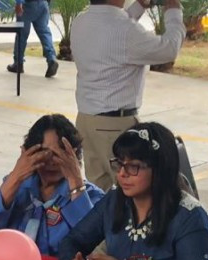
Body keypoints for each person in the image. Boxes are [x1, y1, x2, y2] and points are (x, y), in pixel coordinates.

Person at [57, 123, 208, 260]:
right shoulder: (115, 199)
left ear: (160, 169)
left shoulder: (189, 216)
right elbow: (73, 240)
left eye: (133, 166)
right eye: (119, 164)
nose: (122, 174)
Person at [70, 0, 184, 191]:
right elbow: (169, 49)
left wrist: (139, 6)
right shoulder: (124, 30)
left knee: (101, 195)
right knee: (134, 193)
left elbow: (114, 28)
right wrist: (173, 11)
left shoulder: (81, 21)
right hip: (114, 125)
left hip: (86, 121)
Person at [0, 115, 105, 256]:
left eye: (57, 154)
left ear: (73, 155)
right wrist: (16, 176)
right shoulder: (19, 186)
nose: (50, 162)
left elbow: (92, 241)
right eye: (43, 153)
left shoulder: (92, 196)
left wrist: (75, 182)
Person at [9, 0, 58, 77]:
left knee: (21, 34)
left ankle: (18, 64)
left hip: (27, 5)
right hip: (43, 4)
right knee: (44, 33)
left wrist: (19, 3)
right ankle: (51, 58)